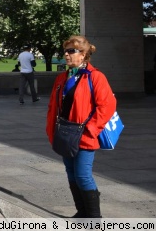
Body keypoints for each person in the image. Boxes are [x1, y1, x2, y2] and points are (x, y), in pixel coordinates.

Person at [46, 35, 116, 218]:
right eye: (65, 51)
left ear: (83, 54)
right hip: (65, 134)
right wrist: (51, 130)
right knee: (71, 174)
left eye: (71, 51)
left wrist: (91, 128)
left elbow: (107, 106)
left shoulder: (95, 77)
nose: (66, 55)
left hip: (84, 134)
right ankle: (82, 213)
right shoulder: (62, 77)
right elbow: (53, 106)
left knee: (83, 175)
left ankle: (94, 217)